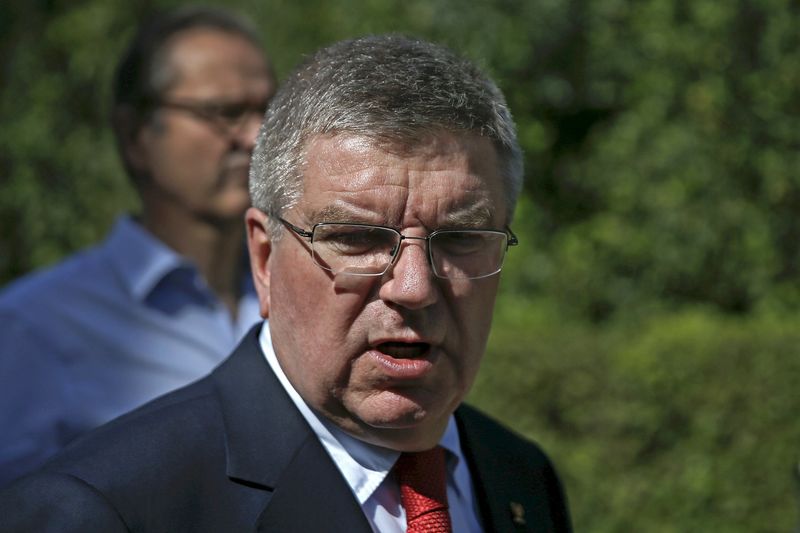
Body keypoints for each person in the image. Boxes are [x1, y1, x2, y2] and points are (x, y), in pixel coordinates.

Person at [0, 35, 572, 531]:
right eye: (358, 238)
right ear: (265, 257)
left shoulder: (517, 475)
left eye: (459, 238)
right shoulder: (102, 510)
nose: (415, 286)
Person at [0, 6, 276, 487]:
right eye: (223, 112)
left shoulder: (306, 297)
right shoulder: (36, 329)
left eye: (269, 112)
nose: (255, 137)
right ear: (135, 136)